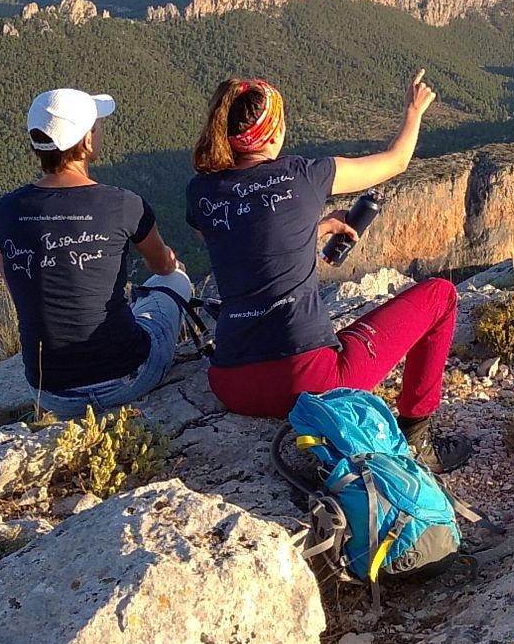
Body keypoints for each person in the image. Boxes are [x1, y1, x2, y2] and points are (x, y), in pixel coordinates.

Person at [187, 69, 472, 472]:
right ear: (274, 133)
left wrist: (314, 228)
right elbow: (396, 161)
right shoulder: (305, 175)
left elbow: (239, 243)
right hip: (309, 383)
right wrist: (414, 112)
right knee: (441, 295)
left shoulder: (201, 191)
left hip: (231, 383)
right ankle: (418, 438)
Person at [0, 87, 183, 418]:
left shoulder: (5, 211)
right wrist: (172, 262)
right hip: (126, 378)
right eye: (96, 126)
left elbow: (19, 287)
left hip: (51, 392)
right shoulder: (123, 203)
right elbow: (162, 265)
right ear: (88, 142)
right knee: (174, 282)